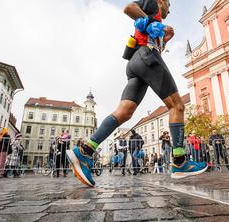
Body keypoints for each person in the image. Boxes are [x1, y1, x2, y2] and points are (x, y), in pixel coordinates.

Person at [66, 0, 207, 187]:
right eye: (169, 5)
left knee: (124, 112)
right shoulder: (154, 3)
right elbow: (129, 8)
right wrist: (153, 23)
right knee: (177, 106)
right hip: (146, 56)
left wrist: (164, 38)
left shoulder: (157, 17)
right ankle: (180, 162)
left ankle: (84, 151)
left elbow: (152, 39)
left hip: (136, 62)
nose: (169, 10)